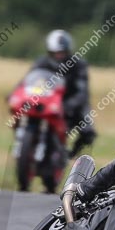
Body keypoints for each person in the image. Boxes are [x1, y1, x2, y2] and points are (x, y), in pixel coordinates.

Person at [30, 29, 97, 157]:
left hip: (73, 102)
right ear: (50, 51)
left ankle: (71, 155)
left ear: (68, 50)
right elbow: (28, 80)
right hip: (48, 100)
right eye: (56, 52)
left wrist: (69, 105)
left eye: (62, 52)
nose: (59, 55)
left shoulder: (78, 65)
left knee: (88, 131)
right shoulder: (42, 62)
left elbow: (82, 92)